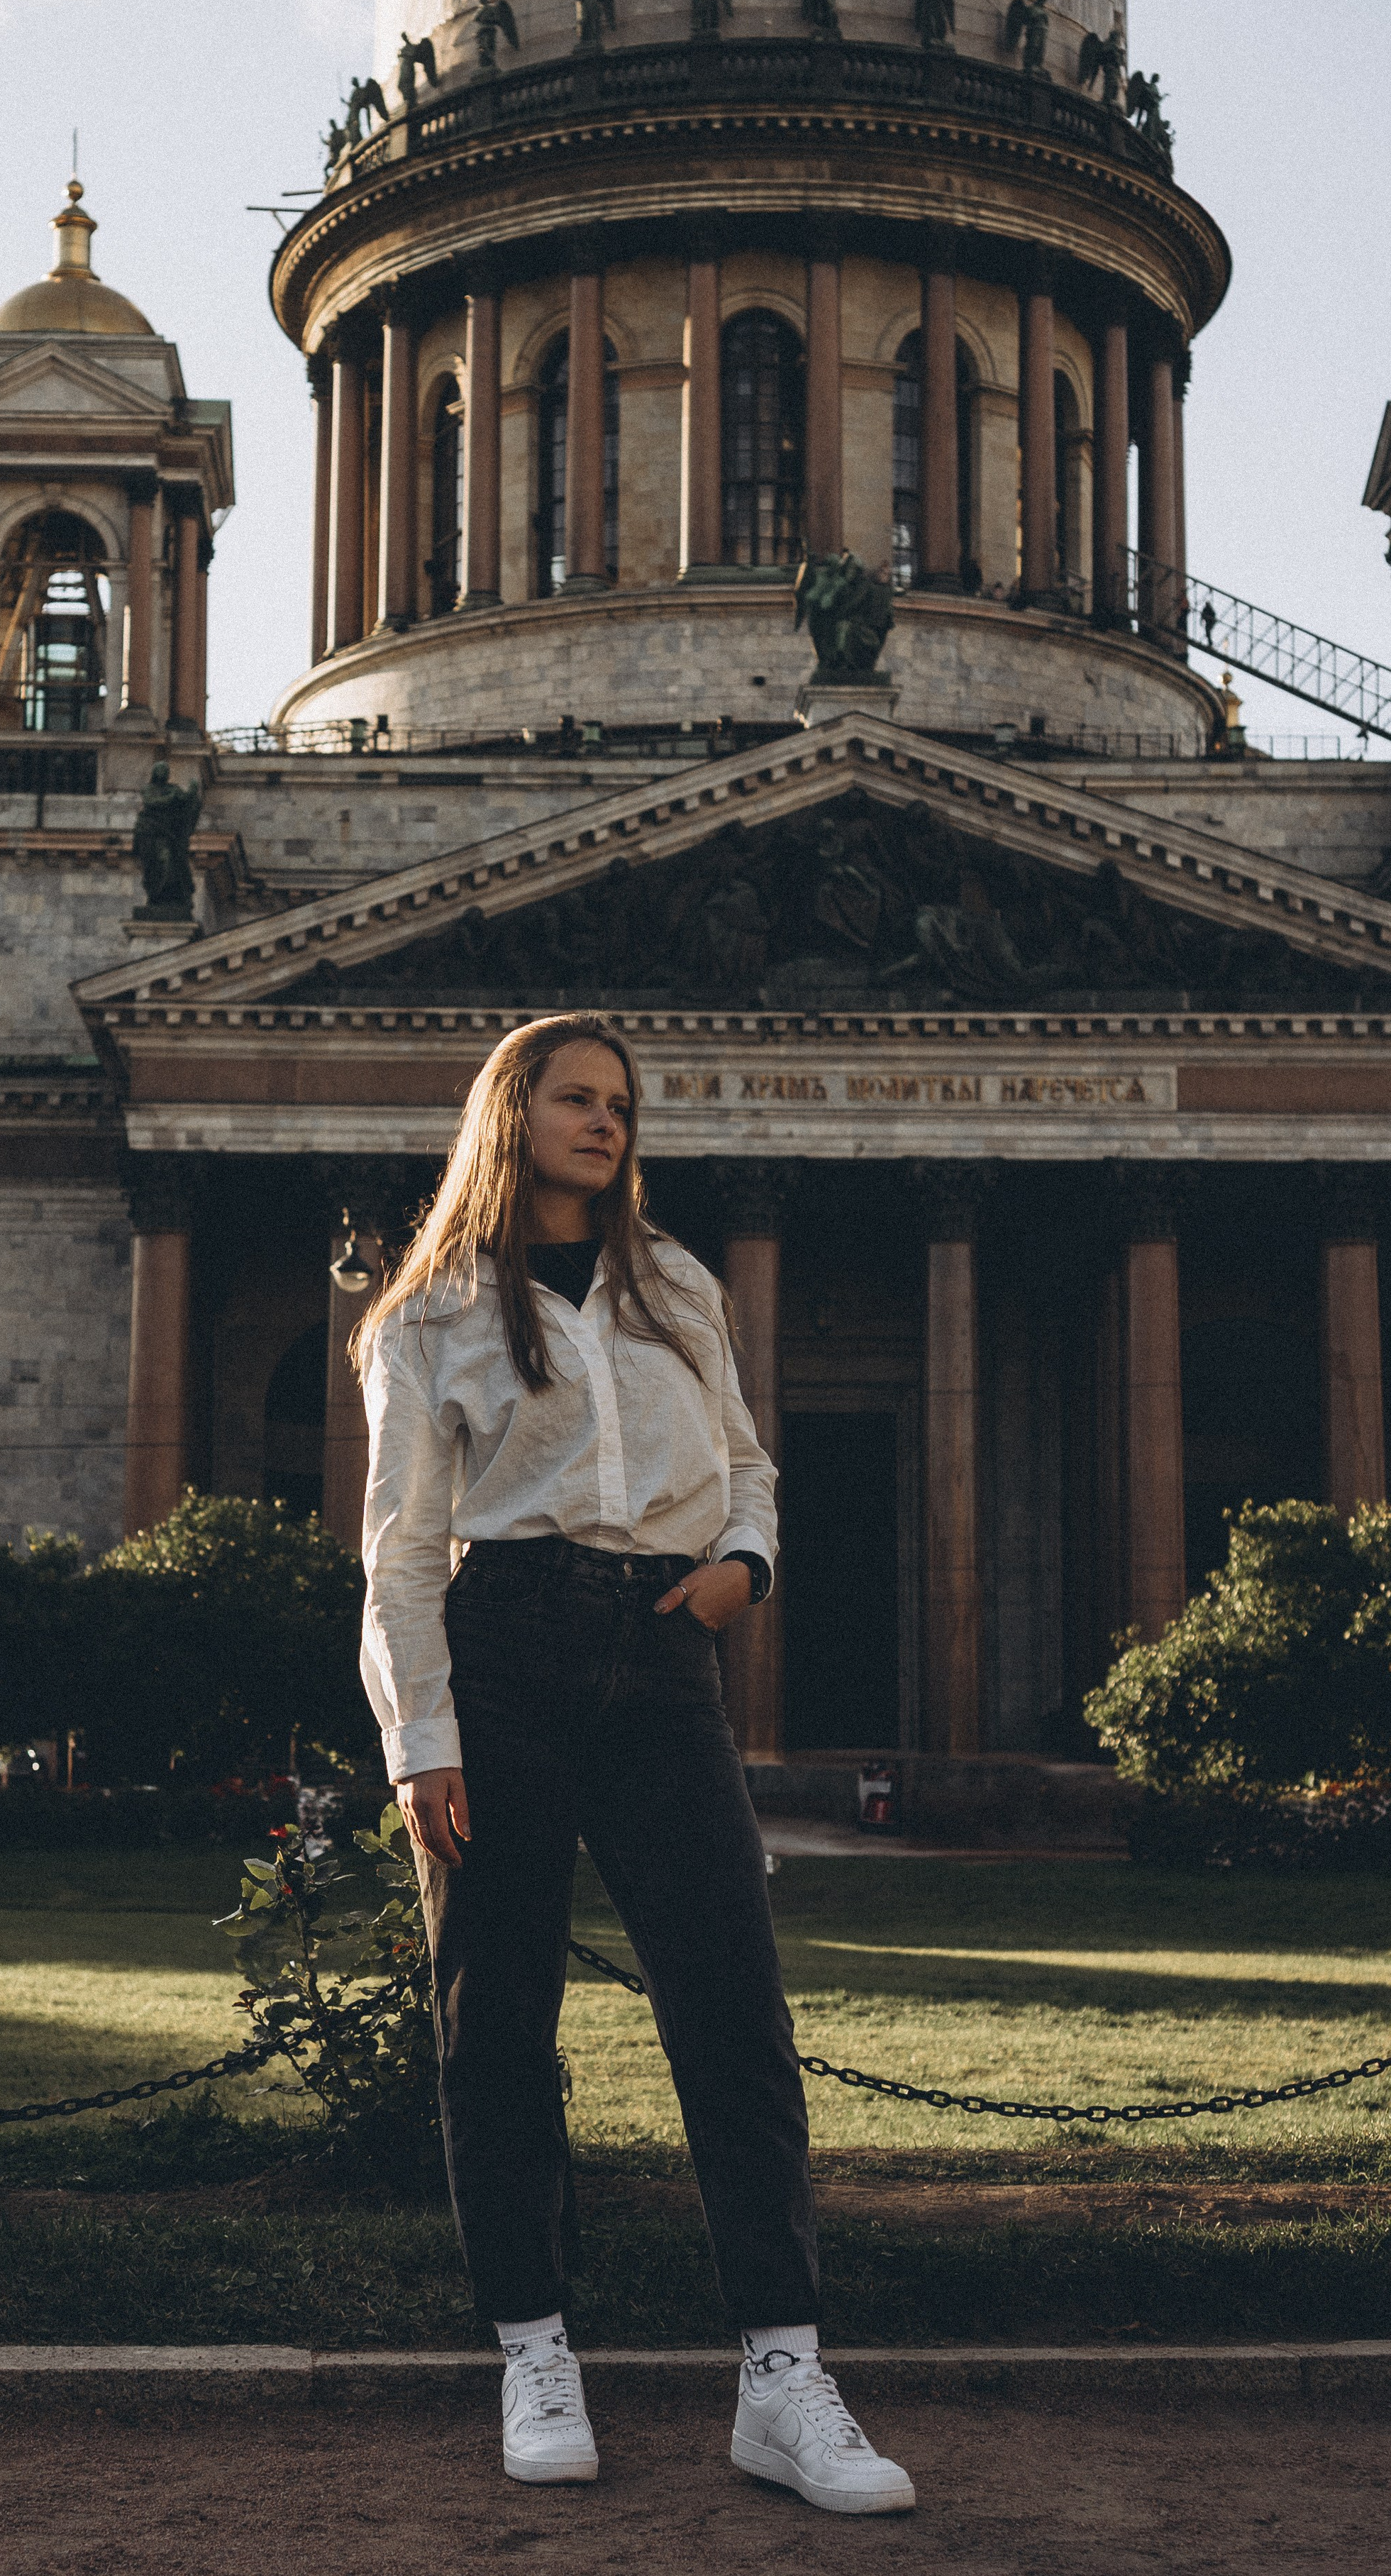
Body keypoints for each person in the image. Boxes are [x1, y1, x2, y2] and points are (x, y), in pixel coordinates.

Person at [355, 1012, 914, 2513]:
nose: (605, 1124)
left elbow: (741, 1463)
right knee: (497, 2016)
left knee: (732, 2005)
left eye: (618, 1104)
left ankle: (781, 2377)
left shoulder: (672, 1283)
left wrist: (740, 1566)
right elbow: (401, 1557)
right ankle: (533, 2351)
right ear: (511, 1114)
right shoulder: (426, 1318)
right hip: (506, 1648)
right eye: (575, 1100)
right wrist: (423, 1745)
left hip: (663, 1651)